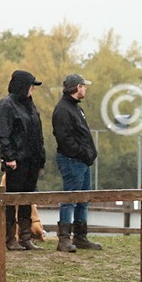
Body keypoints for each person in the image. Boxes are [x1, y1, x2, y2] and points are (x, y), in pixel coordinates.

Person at [0, 70, 47, 251]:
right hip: (16, 161)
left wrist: (41, 158)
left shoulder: (30, 105)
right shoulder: (7, 105)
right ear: (23, 86)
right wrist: (9, 157)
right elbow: (3, 134)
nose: (33, 89)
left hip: (31, 161)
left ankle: (25, 237)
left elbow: (37, 133)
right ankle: (9, 238)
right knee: (12, 198)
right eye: (31, 85)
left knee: (27, 198)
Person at [52, 73, 102, 252]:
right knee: (70, 199)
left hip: (81, 161)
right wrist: (82, 153)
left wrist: (87, 154)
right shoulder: (63, 110)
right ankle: (64, 239)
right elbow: (64, 139)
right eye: (83, 86)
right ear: (78, 87)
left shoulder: (74, 108)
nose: (85, 89)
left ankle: (80, 237)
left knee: (83, 199)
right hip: (72, 160)